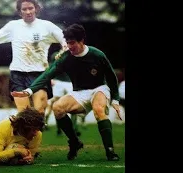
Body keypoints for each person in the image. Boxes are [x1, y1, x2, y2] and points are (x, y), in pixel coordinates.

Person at [11, 24, 122, 161]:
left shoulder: (97, 55)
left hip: (98, 89)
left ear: (82, 41)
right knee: (57, 108)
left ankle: (110, 152)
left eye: (73, 43)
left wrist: (115, 99)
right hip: (79, 92)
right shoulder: (65, 58)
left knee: (98, 109)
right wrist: (29, 91)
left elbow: (111, 76)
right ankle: (75, 142)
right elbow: (47, 75)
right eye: (67, 43)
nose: (69, 46)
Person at [0, 0, 67, 115]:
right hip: (18, 74)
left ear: (36, 8)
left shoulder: (47, 26)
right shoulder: (13, 26)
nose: (28, 11)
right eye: (24, 9)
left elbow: (64, 37)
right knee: (24, 115)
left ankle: (36, 131)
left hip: (40, 74)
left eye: (30, 8)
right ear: (20, 12)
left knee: (39, 112)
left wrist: (65, 47)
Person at [44, 51, 85, 136]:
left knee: (59, 106)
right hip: (64, 83)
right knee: (65, 106)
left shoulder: (58, 59)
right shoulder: (67, 58)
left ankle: (62, 128)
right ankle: (70, 128)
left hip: (61, 83)